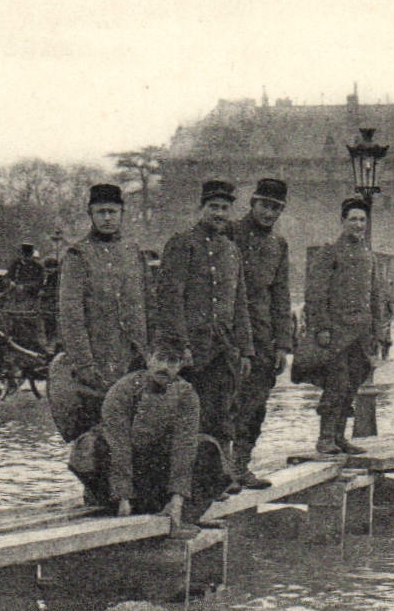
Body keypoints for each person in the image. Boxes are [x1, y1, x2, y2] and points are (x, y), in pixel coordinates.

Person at [153, 180, 265, 493]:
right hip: (192, 350)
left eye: (224, 208)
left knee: (223, 411)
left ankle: (221, 473)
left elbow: (239, 302)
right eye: (213, 207)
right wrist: (181, 345)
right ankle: (185, 481)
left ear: (231, 212)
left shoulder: (231, 251)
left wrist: (246, 350)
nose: (219, 213)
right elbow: (169, 298)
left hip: (224, 348)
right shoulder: (182, 243)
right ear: (201, 209)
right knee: (190, 414)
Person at [49, 183, 150, 471]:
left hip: (133, 357)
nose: (107, 218)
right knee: (98, 429)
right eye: (101, 212)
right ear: (91, 215)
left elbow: (148, 304)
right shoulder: (77, 256)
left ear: (122, 214)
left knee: (135, 425)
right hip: (97, 359)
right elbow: (71, 315)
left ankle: (130, 491)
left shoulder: (134, 253)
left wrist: (149, 350)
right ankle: (98, 488)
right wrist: (84, 364)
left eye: (113, 212)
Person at [302, 197, 390, 454]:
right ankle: (325, 438)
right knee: (336, 384)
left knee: (352, 384)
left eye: (362, 220)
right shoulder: (329, 252)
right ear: (342, 221)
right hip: (337, 334)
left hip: (361, 335)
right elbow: (315, 294)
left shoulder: (369, 256)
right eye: (353, 219)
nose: (358, 224)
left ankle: (340, 436)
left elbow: (375, 295)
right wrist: (322, 329)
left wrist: (377, 330)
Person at [226, 178, 295, 483]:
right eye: (265, 206)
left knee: (256, 404)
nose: (270, 213)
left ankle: (241, 465)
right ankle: (220, 469)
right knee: (226, 403)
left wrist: (282, 344)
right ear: (252, 204)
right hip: (229, 334)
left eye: (276, 208)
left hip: (263, 335)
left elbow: (281, 295)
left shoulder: (278, 245)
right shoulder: (229, 235)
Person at [94, 348, 203, 537]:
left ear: (180, 366)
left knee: (208, 447)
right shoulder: (124, 389)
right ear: (148, 359)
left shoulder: (186, 393)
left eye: (173, 361)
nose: (164, 367)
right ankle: (116, 503)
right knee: (89, 447)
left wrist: (177, 496)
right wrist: (123, 495)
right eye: (160, 358)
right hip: (120, 469)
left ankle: (177, 511)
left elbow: (184, 445)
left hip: (154, 470)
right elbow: (118, 443)